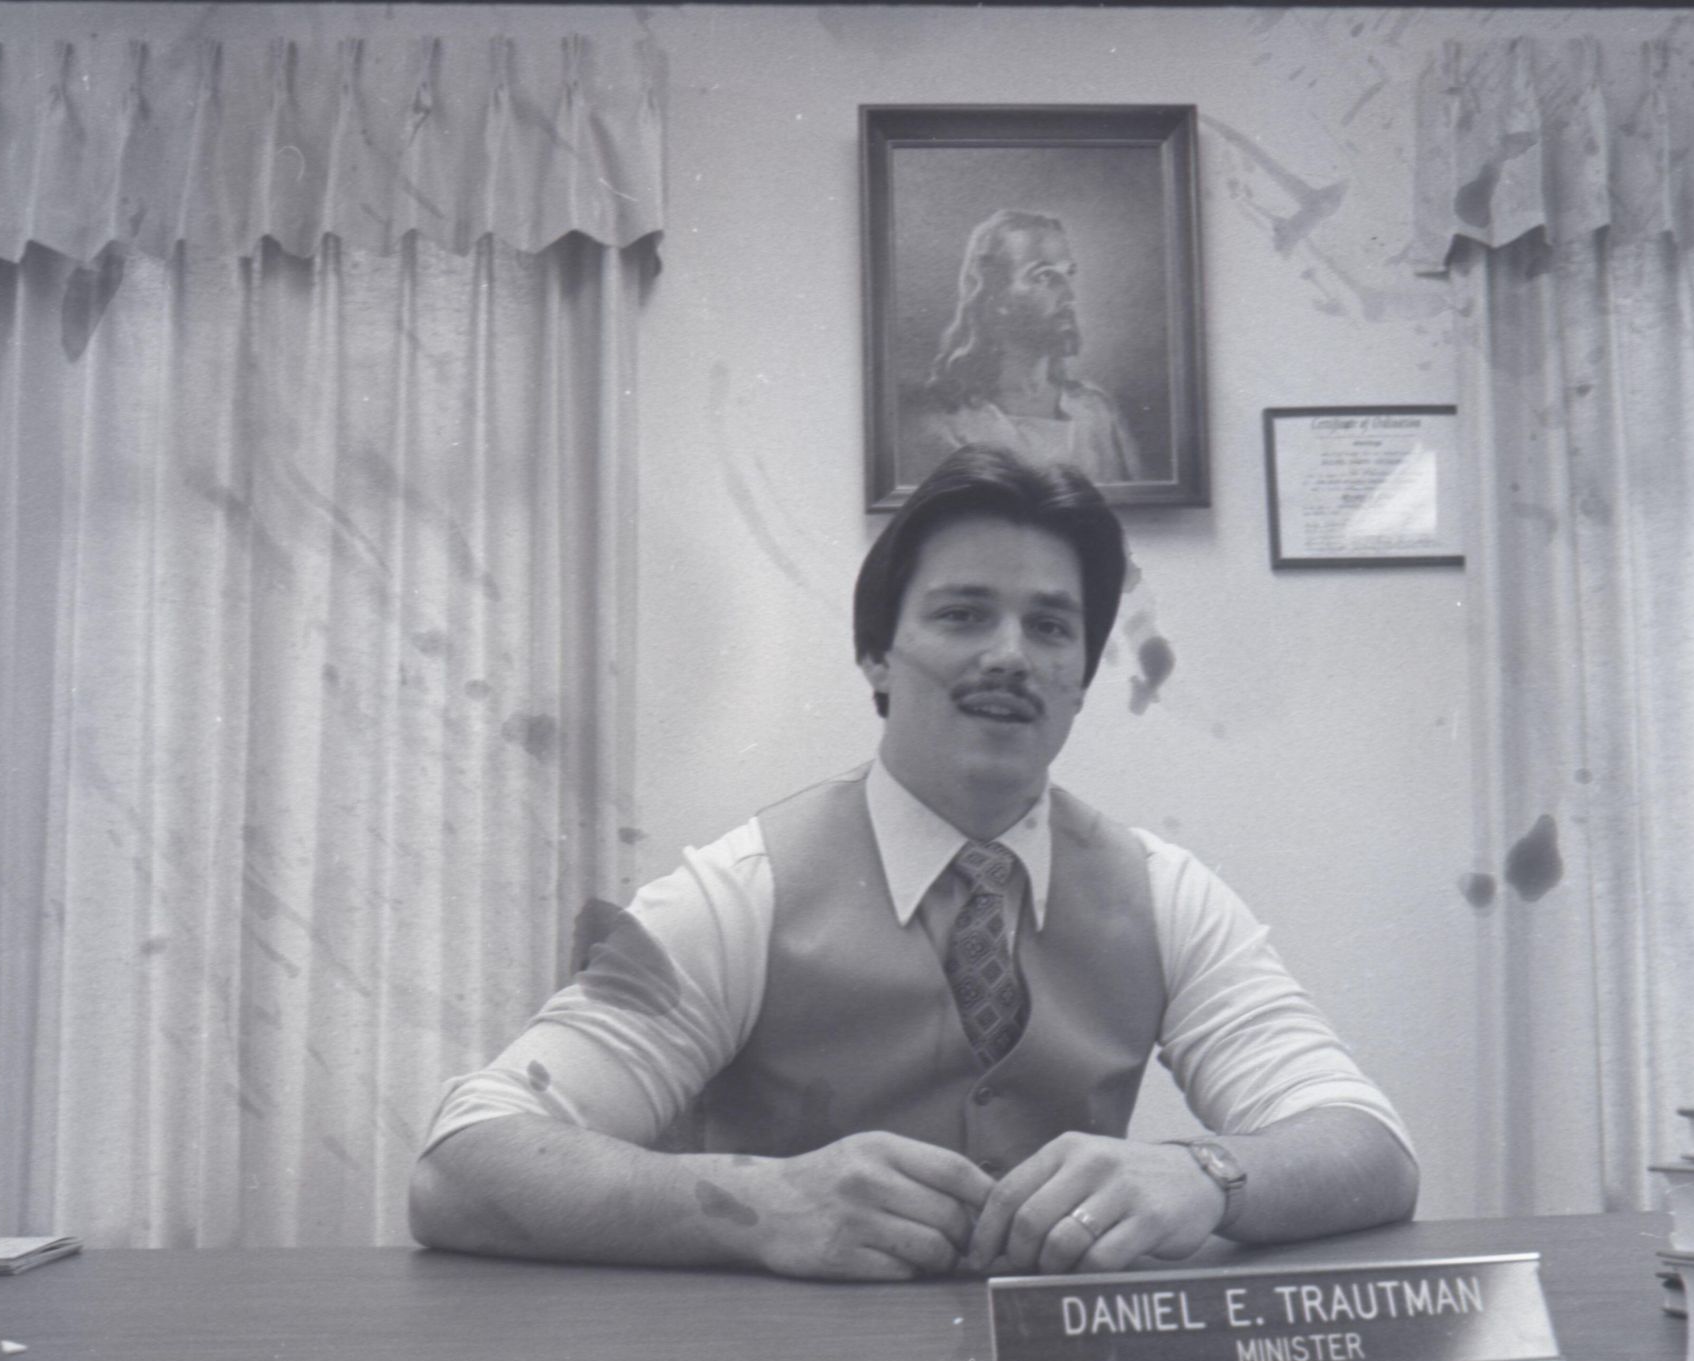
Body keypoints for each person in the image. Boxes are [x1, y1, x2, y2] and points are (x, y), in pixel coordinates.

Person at [409, 446, 1418, 1280]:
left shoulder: (1166, 897)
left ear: (1078, 678)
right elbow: (461, 1164)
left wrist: (1205, 1173)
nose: (1010, 655)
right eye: (962, 614)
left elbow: (1367, 1146)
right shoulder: (737, 892)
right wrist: (762, 1203)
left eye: (1049, 627)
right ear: (876, 658)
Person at [898, 210, 1144, 486]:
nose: (1070, 295)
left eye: (1069, 274)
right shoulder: (948, 427)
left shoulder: (1097, 412)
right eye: (1044, 276)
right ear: (994, 295)